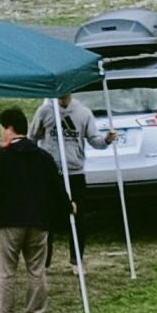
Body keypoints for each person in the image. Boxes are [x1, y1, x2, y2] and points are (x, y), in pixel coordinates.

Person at [0, 107, 73, 313]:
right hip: (38, 221)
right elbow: (56, 187)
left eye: (1, 128)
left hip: (9, 221)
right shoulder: (43, 157)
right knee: (36, 270)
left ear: (9, 128)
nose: (0, 133)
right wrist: (68, 206)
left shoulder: (2, 156)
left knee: (6, 271)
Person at [28, 92, 109, 272]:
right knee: (46, 217)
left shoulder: (83, 113)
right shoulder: (44, 111)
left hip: (74, 173)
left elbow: (95, 140)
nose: (61, 98)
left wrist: (106, 140)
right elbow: (32, 138)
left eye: (64, 95)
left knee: (77, 217)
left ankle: (76, 261)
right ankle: (44, 262)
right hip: (49, 173)